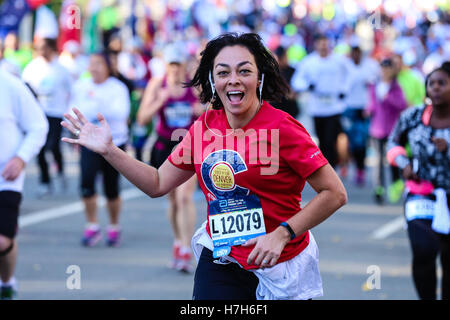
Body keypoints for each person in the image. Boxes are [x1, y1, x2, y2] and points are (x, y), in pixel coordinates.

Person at [61, 33, 347, 300]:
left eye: (244, 71)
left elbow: (334, 193)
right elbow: (158, 183)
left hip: (281, 263)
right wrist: (110, 151)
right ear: (212, 81)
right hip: (222, 259)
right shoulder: (204, 128)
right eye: (223, 72)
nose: (233, 80)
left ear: (259, 78)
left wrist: (283, 233)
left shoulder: (284, 128)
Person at [387, 64, 450, 300]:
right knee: (424, 249)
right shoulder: (413, 117)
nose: (435, 87)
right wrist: (403, 163)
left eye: (442, 83)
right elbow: (392, 144)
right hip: (421, 193)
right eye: (431, 83)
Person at [137, 44, 201, 273]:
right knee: (173, 200)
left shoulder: (194, 86)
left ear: (185, 66)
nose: (174, 70)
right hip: (164, 147)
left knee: (185, 197)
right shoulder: (157, 84)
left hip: (189, 146)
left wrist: (199, 108)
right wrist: (159, 101)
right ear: (165, 66)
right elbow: (142, 118)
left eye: (178, 65)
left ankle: (185, 249)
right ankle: (177, 241)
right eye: (171, 65)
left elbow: (212, 111)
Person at [68, 52, 130, 247]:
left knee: (111, 188)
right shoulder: (81, 86)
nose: (94, 68)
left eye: (98, 64)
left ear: (107, 66)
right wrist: (96, 109)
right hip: (89, 143)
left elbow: (121, 112)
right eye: (91, 64)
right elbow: (73, 110)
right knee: (86, 183)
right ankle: (92, 225)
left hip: (114, 142)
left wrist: (93, 106)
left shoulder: (117, 87)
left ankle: (113, 226)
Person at [0, 69, 48, 299]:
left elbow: (38, 126)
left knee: (2, 241)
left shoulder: (10, 85)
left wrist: (20, 158)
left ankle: (7, 281)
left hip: (5, 177)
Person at [291, 34, 352, 168]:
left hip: (334, 106)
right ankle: (325, 167)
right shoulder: (309, 62)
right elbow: (297, 81)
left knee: (331, 138)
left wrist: (344, 90)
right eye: (320, 43)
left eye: (325, 43)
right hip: (317, 107)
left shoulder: (338, 60)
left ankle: (332, 165)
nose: (323, 46)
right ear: (316, 45)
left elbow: (350, 74)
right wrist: (307, 86)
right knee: (322, 139)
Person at [22, 37, 72, 197]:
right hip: (38, 113)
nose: (41, 51)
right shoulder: (32, 67)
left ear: (51, 49)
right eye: (39, 48)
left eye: (44, 48)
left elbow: (71, 90)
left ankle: (61, 171)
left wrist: (68, 112)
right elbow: (24, 89)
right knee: (41, 148)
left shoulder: (61, 69)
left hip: (56, 113)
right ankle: (45, 181)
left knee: (53, 146)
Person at [367, 57, 407, 204]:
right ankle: (379, 188)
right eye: (383, 68)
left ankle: (396, 184)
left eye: (387, 68)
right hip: (377, 128)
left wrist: (388, 98)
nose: (385, 71)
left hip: (392, 129)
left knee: (392, 159)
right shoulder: (375, 85)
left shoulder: (396, 87)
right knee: (377, 160)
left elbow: (402, 104)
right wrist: (368, 109)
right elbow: (372, 104)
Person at [340, 45, 379, 185]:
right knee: (344, 140)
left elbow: (375, 88)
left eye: (358, 52)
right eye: (353, 52)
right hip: (347, 109)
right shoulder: (344, 66)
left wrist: (371, 106)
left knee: (360, 142)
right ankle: (344, 164)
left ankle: (360, 170)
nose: (356, 55)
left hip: (363, 110)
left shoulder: (370, 67)